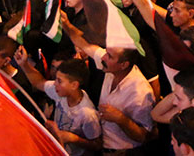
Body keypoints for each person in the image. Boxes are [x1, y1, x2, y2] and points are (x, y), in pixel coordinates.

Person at [61, 15, 155, 153]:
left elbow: (143, 136)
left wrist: (121, 119)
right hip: (101, 146)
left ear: (123, 65)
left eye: (109, 56)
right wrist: (66, 25)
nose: (103, 57)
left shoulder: (141, 92)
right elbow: (84, 44)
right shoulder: (109, 63)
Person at [15, 47, 103, 155]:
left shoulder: (87, 114)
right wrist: (24, 65)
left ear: (74, 85)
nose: (55, 83)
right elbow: (39, 83)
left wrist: (73, 138)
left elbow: (97, 145)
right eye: (56, 79)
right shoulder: (59, 91)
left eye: (60, 81)